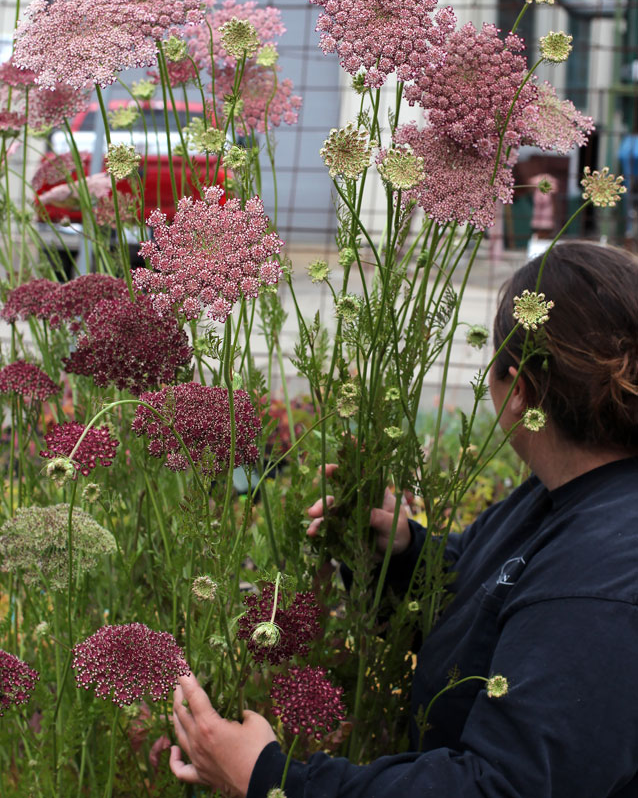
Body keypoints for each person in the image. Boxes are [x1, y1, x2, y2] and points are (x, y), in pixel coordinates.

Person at [169, 241, 638, 798]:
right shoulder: (568, 494)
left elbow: (499, 788)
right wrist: (402, 554)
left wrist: (270, 778)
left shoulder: (599, 581)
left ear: (520, 390)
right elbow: (490, 601)